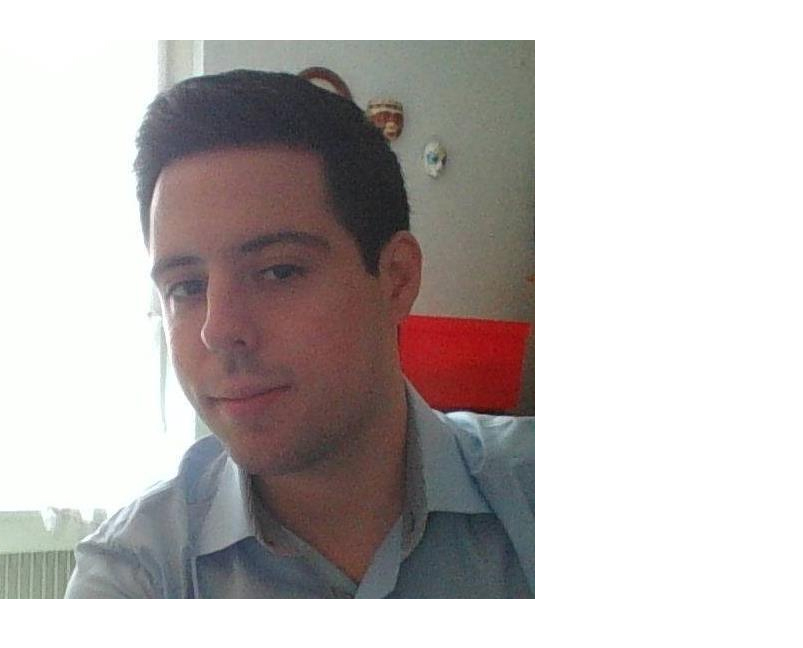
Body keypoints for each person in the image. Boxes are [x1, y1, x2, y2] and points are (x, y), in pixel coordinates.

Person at [64, 70, 533, 599]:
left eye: (278, 271)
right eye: (187, 287)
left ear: (397, 279)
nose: (219, 330)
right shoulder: (137, 576)